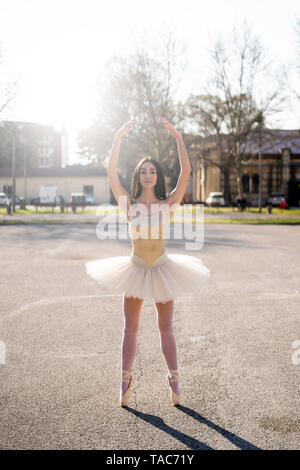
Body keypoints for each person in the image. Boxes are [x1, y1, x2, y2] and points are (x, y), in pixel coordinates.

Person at [85, 117, 210, 407]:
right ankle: (125, 381)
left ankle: (174, 380)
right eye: (144, 171)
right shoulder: (129, 204)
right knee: (130, 328)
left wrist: (179, 139)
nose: (149, 174)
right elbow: (110, 171)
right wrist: (118, 138)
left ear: (158, 176)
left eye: (153, 170)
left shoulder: (168, 204)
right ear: (138, 176)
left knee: (166, 328)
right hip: (136, 269)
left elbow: (187, 171)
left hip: (164, 269)